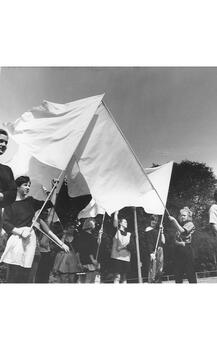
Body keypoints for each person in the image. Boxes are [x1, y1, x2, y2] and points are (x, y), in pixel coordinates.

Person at [0, 175, 69, 283]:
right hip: (16, 243)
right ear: (17, 187)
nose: (28, 187)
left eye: (29, 185)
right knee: (13, 277)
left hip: (31, 244)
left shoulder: (30, 201)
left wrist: (54, 188)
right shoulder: (10, 204)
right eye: (25, 185)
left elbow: (49, 203)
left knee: (28, 278)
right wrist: (19, 231)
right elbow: (5, 222)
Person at [168, 207, 197, 283]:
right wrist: (179, 243)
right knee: (178, 274)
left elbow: (183, 231)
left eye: (184, 215)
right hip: (178, 251)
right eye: (181, 215)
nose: (182, 217)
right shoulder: (180, 226)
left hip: (187, 251)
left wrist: (174, 220)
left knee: (190, 273)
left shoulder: (190, 224)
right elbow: (175, 240)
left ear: (188, 216)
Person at [0, 129, 17, 230]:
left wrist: (2, 195)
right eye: (0, 141)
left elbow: (13, 194)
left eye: (6, 142)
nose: (3, 144)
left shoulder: (7, 170)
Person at [111, 211, 132, 283]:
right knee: (117, 276)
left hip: (126, 257)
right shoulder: (116, 231)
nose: (126, 223)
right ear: (120, 223)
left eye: (126, 222)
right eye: (125, 222)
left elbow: (130, 246)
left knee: (124, 277)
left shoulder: (129, 234)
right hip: (117, 257)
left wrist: (124, 247)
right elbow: (115, 223)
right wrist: (116, 214)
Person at [77, 218, 99, 283]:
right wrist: (93, 260)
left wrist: (79, 262)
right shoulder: (90, 237)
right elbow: (90, 250)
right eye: (94, 223)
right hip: (90, 262)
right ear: (90, 225)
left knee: (82, 281)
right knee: (90, 281)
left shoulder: (80, 235)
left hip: (82, 261)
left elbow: (78, 251)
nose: (95, 224)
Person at [145, 215, 165, 283]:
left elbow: (163, 241)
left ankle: (159, 281)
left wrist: (162, 231)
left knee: (160, 269)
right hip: (154, 250)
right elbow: (149, 242)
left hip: (160, 250)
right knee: (153, 269)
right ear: (150, 221)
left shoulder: (158, 230)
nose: (154, 222)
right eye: (153, 220)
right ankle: (152, 281)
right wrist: (151, 253)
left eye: (156, 220)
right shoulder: (148, 229)